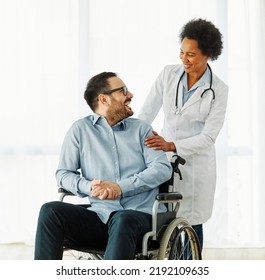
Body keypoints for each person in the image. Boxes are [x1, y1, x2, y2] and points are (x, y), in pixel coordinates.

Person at [34, 72, 172, 260]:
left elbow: (162, 168)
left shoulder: (142, 130)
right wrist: (90, 187)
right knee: (50, 211)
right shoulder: (80, 130)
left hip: (140, 216)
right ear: (104, 99)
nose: (130, 95)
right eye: (123, 91)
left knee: (124, 218)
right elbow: (63, 174)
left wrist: (120, 188)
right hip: (101, 217)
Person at [138, 18, 228, 252]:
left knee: (191, 223)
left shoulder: (218, 90)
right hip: (164, 162)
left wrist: (171, 145)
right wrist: (133, 141)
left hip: (196, 166)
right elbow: (146, 113)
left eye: (191, 55)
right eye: (181, 52)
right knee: (162, 223)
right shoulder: (168, 74)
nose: (183, 59)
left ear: (207, 54)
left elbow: (209, 137)